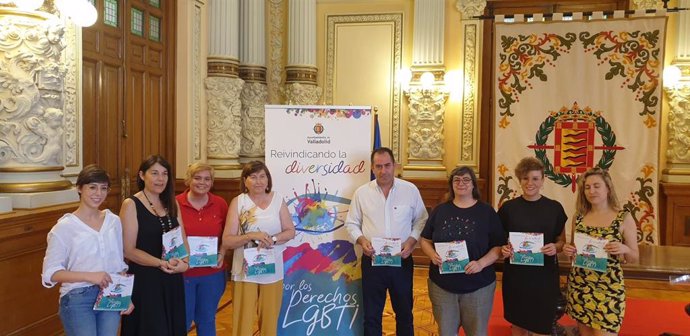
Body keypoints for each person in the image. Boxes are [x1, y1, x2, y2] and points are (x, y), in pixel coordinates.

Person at [345, 147, 428, 336]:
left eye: (387, 165)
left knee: (405, 313)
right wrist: (361, 240)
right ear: (372, 168)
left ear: (395, 166)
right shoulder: (361, 193)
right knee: (372, 315)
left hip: (402, 261)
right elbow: (351, 223)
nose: (384, 171)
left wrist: (412, 240)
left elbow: (422, 219)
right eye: (379, 166)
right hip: (373, 261)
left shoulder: (410, 190)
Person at [41, 164, 133, 336]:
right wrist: (89, 276)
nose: (98, 193)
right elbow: (50, 273)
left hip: (110, 294)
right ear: (79, 188)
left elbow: (118, 264)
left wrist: (125, 296)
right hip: (77, 298)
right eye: (92, 187)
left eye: (103, 188)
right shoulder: (64, 227)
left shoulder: (113, 221)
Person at [419, 166, 505, 336]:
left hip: (478, 286)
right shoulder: (440, 210)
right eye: (456, 180)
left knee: (477, 332)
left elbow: (499, 247)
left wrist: (481, 263)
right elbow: (425, 240)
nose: (461, 183)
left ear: (473, 185)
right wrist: (432, 255)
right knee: (446, 332)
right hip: (442, 286)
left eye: (466, 179)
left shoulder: (486, 212)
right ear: (451, 185)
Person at [222, 160, 295, 336]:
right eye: (253, 177)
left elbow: (290, 231)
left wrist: (273, 239)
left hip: (272, 269)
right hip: (245, 270)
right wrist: (250, 236)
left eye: (262, 176)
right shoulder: (238, 202)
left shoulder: (278, 200)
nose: (258, 181)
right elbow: (227, 240)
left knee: (270, 320)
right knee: (243, 320)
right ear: (245, 180)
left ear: (268, 179)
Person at [563, 167, 639, 335]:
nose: (592, 191)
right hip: (580, 286)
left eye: (597, 186)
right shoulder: (579, 217)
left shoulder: (623, 217)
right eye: (587, 187)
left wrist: (624, 248)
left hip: (608, 289)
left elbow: (634, 257)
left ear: (608, 188)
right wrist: (569, 250)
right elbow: (575, 253)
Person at [120, 155, 189, 336]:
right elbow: (129, 250)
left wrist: (185, 263)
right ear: (142, 176)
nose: (160, 179)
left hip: (172, 278)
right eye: (155, 173)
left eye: (165, 174)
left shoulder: (171, 202)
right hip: (146, 280)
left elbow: (182, 238)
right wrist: (160, 263)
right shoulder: (131, 204)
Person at [498, 157, 567, 336]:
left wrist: (555, 247)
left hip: (544, 277)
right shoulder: (508, 208)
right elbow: (499, 242)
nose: (530, 183)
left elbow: (562, 242)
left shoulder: (554, 208)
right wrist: (503, 250)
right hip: (516, 276)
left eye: (535, 178)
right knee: (518, 324)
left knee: (542, 325)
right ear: (519, 180)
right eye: (525, 178)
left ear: (543, 180)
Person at [176, 162, 229, 336]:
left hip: (212, 274)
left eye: (207, 179)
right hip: (183, 274)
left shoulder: (220, 204)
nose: (202, 182)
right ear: (188, 180)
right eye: (197, 178)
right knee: (181, 320)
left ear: (212, 182)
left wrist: (222, 252)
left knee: (207, 319)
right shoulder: (175, 203)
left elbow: (228, 235)